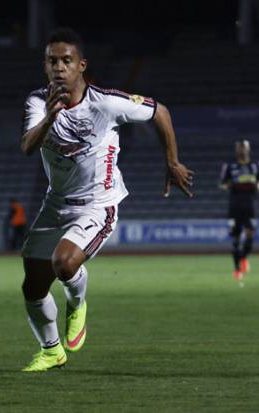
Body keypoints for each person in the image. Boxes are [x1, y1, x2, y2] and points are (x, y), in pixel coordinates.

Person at [20, 28, 194, 372]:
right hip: (55, 204)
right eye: (52, 61)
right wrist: (53, 116)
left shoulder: (107, 102)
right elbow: (27, 146)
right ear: (45, 66)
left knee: (65, 263)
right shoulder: (38, 102)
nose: (59, 67)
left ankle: (77, 300)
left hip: (98, 204)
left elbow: (160, 111)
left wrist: (172, 162)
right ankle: (51, 350)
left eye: (66, 61)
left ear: (81, 65)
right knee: (33, 286)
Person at [219, 140, 259, 282]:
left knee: (250, 235)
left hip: (249, 207)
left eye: (244, 147)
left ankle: (243, 258)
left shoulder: (255, 166)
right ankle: (237, 269)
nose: (241, 150)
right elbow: (222, 185)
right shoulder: (230, 166)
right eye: (239, 148)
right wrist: (232, 184)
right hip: (234, 207)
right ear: (236, 150)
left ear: (248, 149)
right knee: (235, 240)